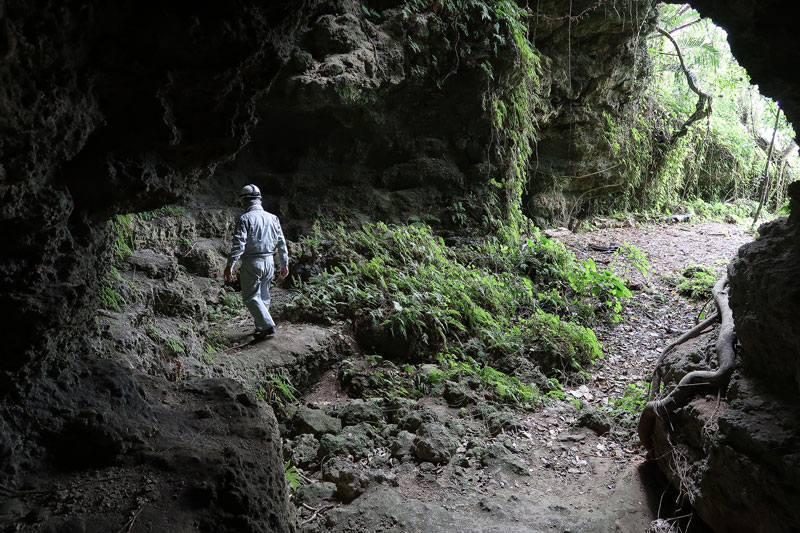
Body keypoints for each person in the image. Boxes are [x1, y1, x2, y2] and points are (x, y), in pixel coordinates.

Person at [224, 184, 289, 340]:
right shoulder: (273, 218)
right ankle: (260, 327)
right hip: (269, 262)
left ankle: (267, 326)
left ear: (245, 201)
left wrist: (230, 265)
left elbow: (239, 244)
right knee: (264, 295)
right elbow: (281, 243)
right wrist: (284, 264)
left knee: (251, 297)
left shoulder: (245, 218)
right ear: (259, 200)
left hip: (253, 262)